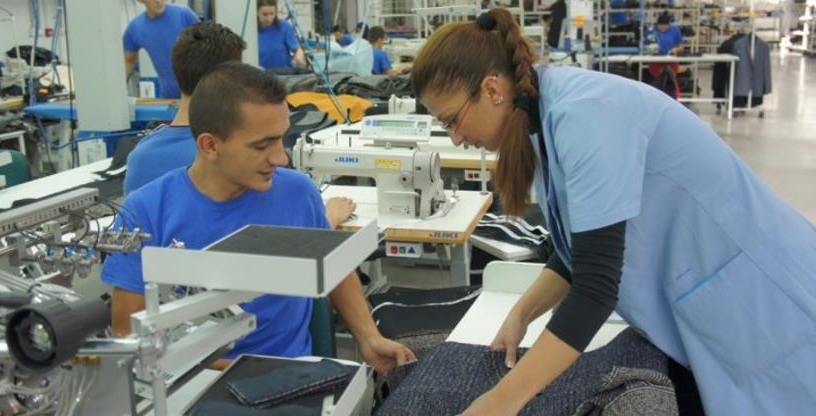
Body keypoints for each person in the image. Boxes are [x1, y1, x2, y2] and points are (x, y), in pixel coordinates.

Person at [410, 8, 815, 416]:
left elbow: (594, 289)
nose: (455, 138)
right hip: (711, 302)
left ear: (492, 89)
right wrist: (522, 313)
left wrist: (500, 402)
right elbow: (578, 247)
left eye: (452, 121)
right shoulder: (540, 119)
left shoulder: (583, 115)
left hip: (764, 301)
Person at [102, 62, 414, 373]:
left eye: (281, 139)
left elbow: (336, 267)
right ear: (210, 145)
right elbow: (129, 336)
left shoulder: (299, 193)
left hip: (290, 375)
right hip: (190, 379)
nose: (281, 157)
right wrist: (240, 371)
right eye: (262, 145)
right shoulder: (145, 212)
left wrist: (368, 337)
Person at [123, 22, 355, 227]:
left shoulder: (140, 158)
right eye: (261, 145)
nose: (279, 158)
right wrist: (328, 217)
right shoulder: (263, 169)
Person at [123, 0, 199, 99]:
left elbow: (208, 49)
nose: (159, 1)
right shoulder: (135, 28)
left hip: (197, 95)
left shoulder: (185, 15)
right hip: (169, 98)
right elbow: (128, 61)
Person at [257, 0, 306, 70]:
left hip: (285, 73)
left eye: (272, 14)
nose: (269, 19)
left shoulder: (284, 26)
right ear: (257, 12)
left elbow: (297, 49)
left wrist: (299, 57)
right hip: (261, 74)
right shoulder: (251, 31)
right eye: (265, 14)